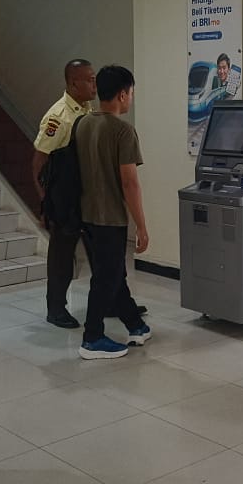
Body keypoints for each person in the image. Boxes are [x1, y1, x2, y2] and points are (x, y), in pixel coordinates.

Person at [33, 59, 146, 329]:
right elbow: (39, 161)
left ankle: (114, 302)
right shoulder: (59, 116)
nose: (94, 84)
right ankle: (56, 308)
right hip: (67, 198)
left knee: (103, 258)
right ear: (73, 83)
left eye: (95, 78)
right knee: (62, 254)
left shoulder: (88, 112)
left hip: (89, 197)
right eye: (89, 79)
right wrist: (47, 203)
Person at [74, 65, 151, 359]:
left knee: (112, 273)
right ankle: (92, 338)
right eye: (131, 93)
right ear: (122, 95)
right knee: (106, 278)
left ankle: (136, 325)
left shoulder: (83, 124)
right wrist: (141, 226)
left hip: (86, 214)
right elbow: (130, 182)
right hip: (110, 217)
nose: (131, 98)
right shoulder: (123, 131)